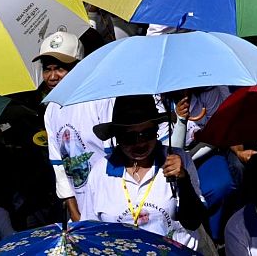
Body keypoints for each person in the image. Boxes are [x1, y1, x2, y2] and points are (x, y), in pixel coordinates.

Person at [83, 95, 207, 249]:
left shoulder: (180, 160)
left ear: (156, 131)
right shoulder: (100, 172)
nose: (140, 143)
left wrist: (183, 179)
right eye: (130, 137)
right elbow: (90, 231)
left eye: (147, 134)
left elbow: (193, 222)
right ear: (117, 138)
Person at [38, 31, 111, 221]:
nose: (52, 76)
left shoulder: (100, 100)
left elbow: (114, 154)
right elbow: (59, 165)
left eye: (59, 69)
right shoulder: (51, 110)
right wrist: (74, 211)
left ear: (79, 66)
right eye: (47, 69)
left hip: (111, 202)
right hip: (81, 211)